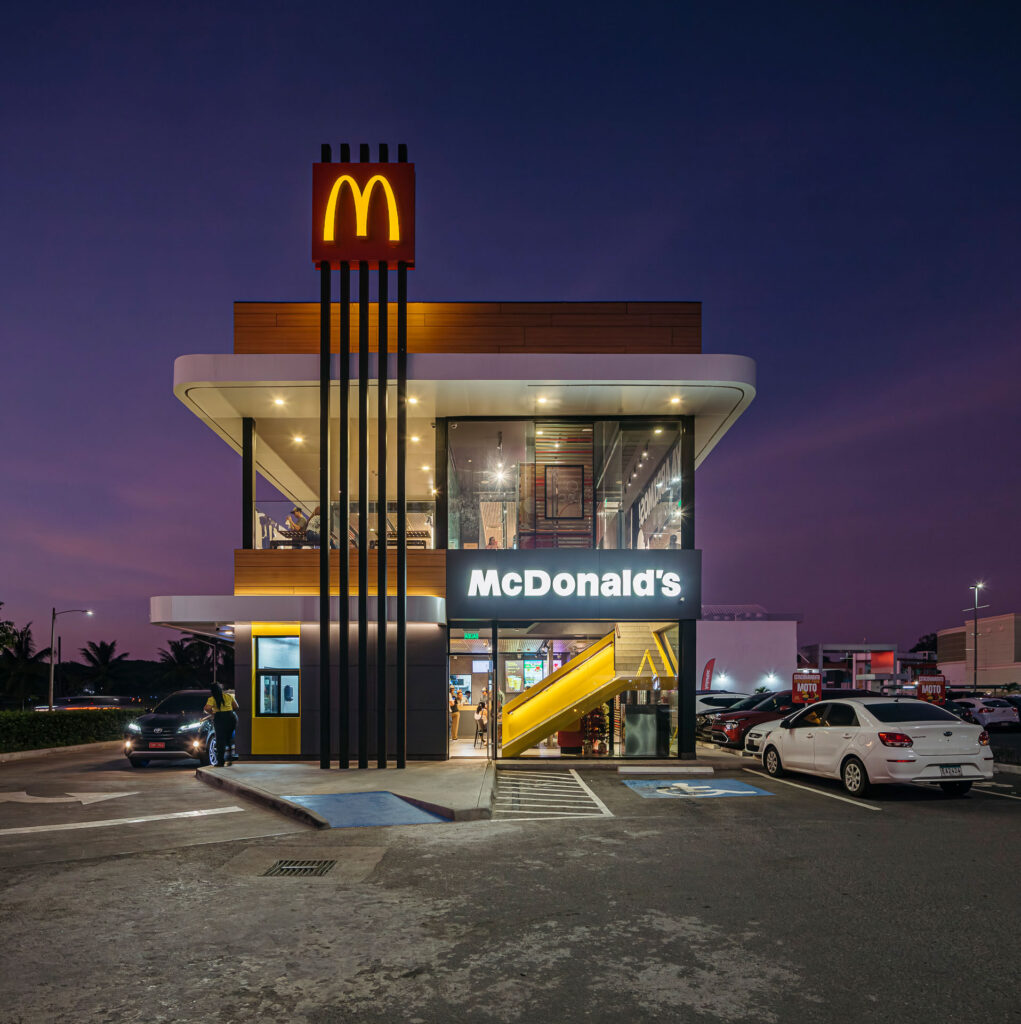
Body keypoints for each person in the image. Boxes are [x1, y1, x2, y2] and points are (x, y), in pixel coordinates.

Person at [204, 681, 239, 766]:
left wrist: (213, 713)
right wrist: (229, 711)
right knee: (228, 738)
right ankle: (230, 757)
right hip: (231, 717)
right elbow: (236, 707)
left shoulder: (212, 699)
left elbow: (206, 708)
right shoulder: (229, 696)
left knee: (220, 740)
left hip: (219, 718)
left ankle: (221, 761)